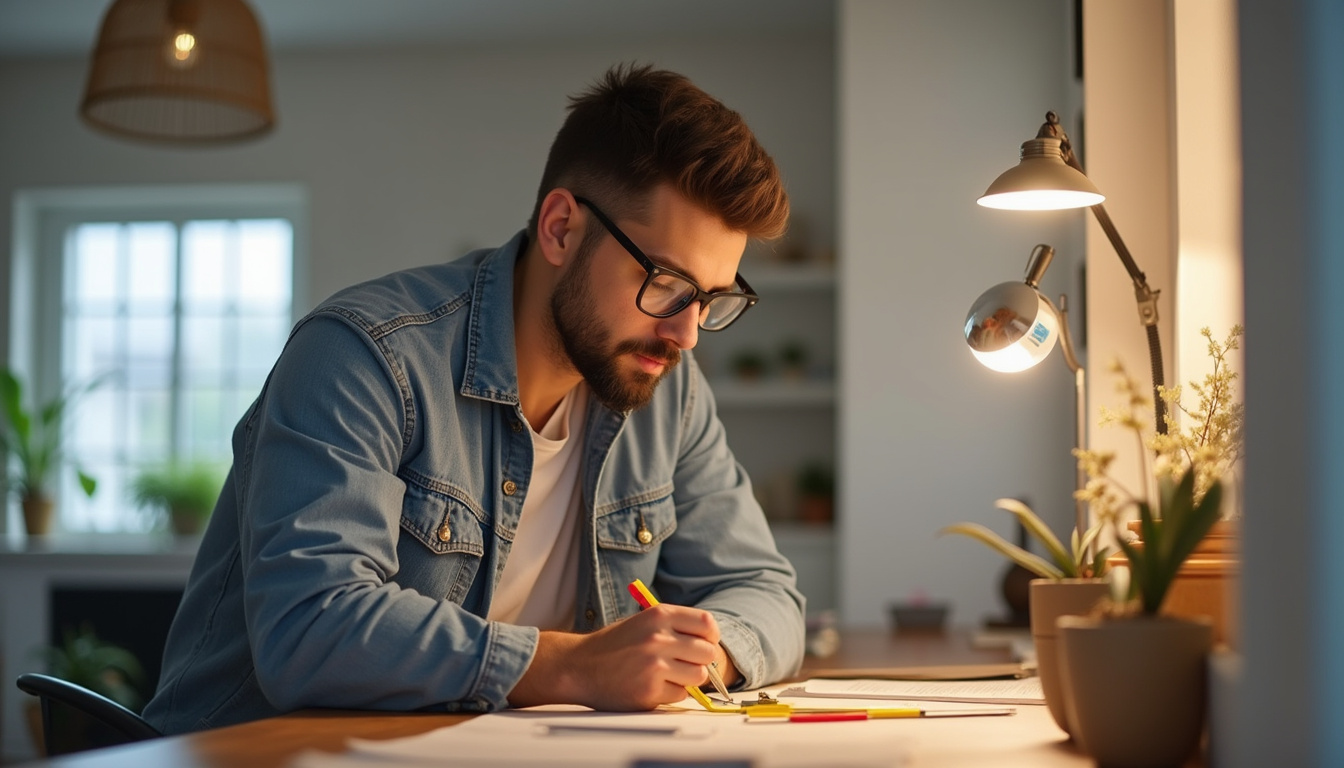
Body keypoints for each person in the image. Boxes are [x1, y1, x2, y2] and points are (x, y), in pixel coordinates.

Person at [142, 62, 806, 734]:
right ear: (561, 228)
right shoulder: (364, 355)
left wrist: (696, 655)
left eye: (711, 299)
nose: (686, 334)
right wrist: (573, 666)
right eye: (665, 282)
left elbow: (766, 592)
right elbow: (309, 627)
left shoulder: (667, 391)